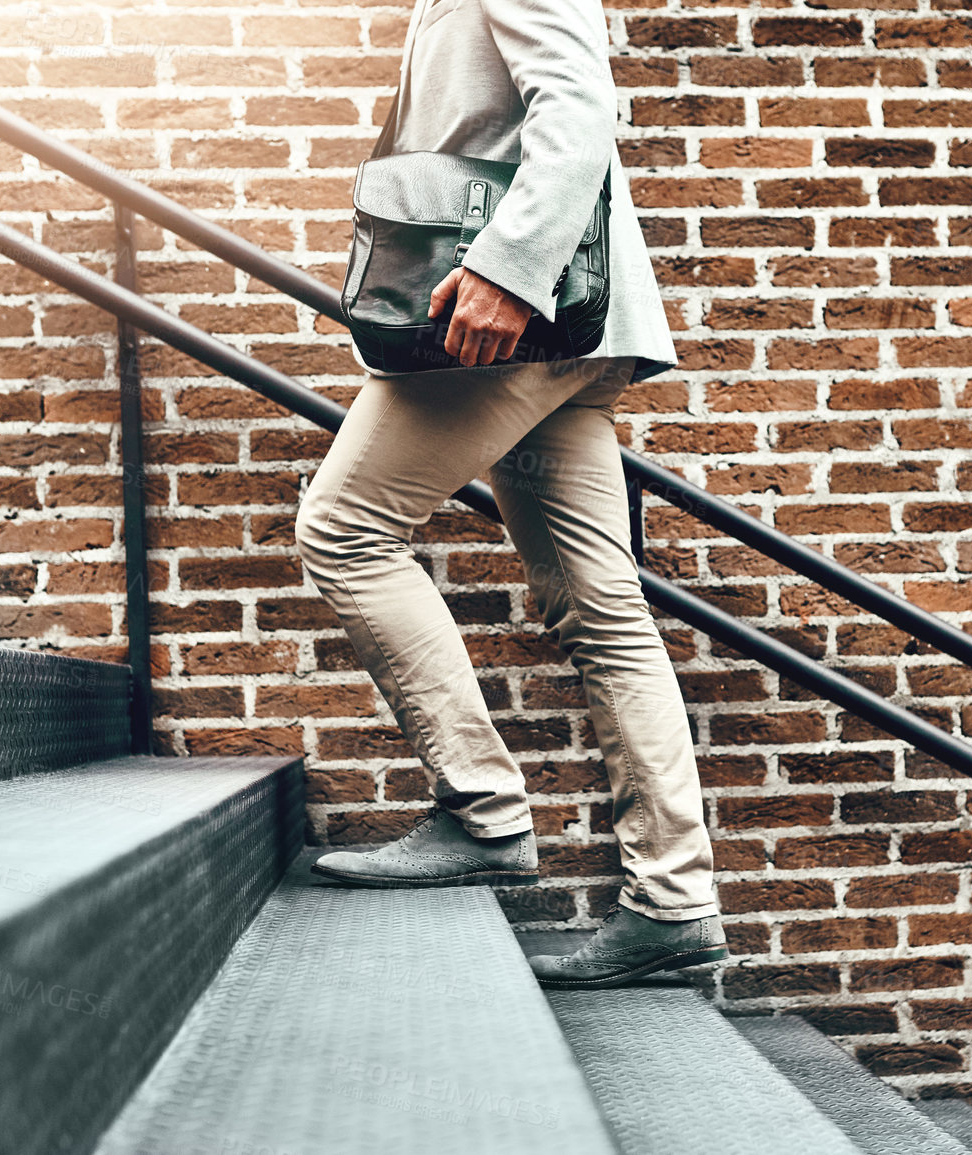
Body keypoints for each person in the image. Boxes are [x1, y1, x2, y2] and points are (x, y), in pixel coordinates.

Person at [295, 0, 725, 989]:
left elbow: (575, 103)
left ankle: (482, 812)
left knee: (347, 530)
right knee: (603, 614)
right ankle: (674, 902)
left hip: (520, 315)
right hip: (570, 327)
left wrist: (511, 269)